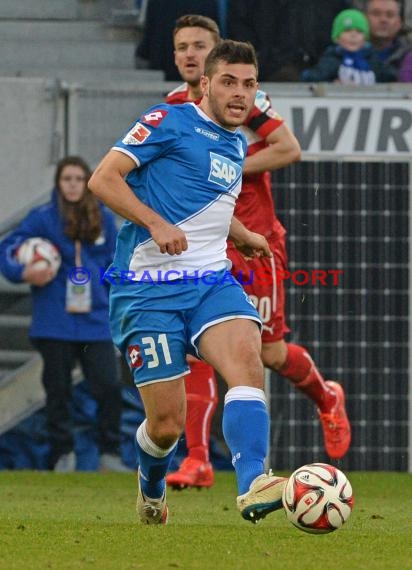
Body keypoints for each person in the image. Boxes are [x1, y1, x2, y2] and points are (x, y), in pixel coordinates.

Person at [89, 39, 288, 525]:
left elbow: (206, 205)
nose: (240, 94)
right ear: (205, 84)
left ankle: (252, 485)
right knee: (166, 425)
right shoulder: (168, 120)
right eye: (228, 82)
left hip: (210, 282)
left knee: (247, 358)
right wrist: (156, 223)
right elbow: (103, 179)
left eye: (248, 84)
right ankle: (151, 486)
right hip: (147, 290)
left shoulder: (237, 143)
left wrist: (240, 233)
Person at [165, 15, 352, 491]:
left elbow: (288, 149)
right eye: (183, 47)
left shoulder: (244, 99)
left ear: (216, 59)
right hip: (206, 245)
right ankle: (200, 459)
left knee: (267, 352)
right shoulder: (171, 109)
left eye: (200, 46)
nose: (191, 54)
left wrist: (228, 167)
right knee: (199, 349)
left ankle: (326, 395)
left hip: (255, 241)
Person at [0, 156, 128, 473]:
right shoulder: (42, 217)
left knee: (109, 386)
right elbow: (7, 249)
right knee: (58, 392)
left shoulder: (103, 217)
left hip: (95, 322)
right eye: (66, 178)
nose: (72, 184)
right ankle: (62, 455)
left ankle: (109, 453)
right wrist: (23, 270)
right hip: (53, 321)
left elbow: (117, 263)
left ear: (87, 182)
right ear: (58, 183)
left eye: (78, 178)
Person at [227, 0, 351, 81]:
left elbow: (349, 28)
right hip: (268, 75)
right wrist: (263, 61)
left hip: (329, 75)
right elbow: (241, 34)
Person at [301, 8, 397, 83]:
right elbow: (311, 77)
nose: (353, 36)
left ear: (365, 39)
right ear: (337, 38)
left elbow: (390, 77)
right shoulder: (332, 59)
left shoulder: (372, 59)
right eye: (347, 31)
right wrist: (331, 85)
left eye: (359, 32)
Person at [366, 0, 412, 80]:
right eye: (376, 14)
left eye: (390, 15)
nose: (383, 20)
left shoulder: (408, 55)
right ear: (364, 18)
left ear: (399, 23)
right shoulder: (344, 53)